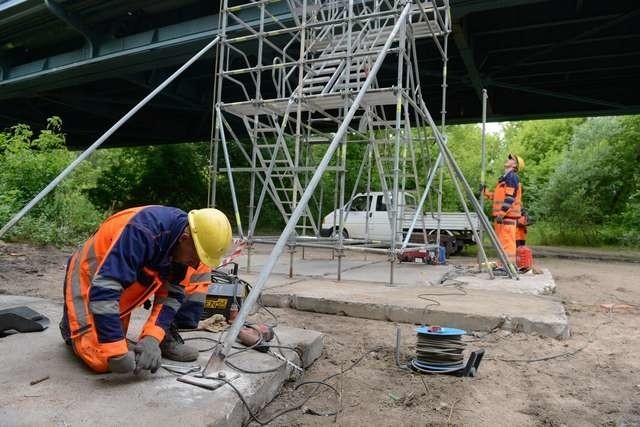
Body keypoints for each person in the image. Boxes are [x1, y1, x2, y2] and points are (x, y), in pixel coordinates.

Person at [59, 206, 232, 374]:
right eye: (195, 256)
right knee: (102, 360)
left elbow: (171, 295)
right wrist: (115, 351)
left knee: (200, 270)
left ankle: (165, 335)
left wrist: (152, 338)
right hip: (88, 278)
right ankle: (71, 327)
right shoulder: (141, 233)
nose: (195, 263)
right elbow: (104, 291)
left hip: (120, 281)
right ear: (184, 239)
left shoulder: (181, 236)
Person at [483, 154, 524, 272]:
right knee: (502, 243)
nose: (508, 159)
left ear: (515, 165)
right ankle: (503, 264)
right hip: (501, 218)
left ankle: (509, 266)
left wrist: (501, 213)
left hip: (507, 217)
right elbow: (496, 197)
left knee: (507, 242)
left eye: (511, 159)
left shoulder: (512, 177)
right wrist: (485, 191)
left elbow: (510, 198)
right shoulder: (504, 179)